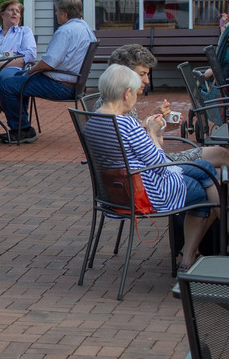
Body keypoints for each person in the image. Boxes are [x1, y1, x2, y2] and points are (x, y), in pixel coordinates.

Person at [84, 65, 221, 272]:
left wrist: (151, 132)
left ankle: (192, 252)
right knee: (203, 191)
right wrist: (153, 132)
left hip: (115, 193)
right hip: (146, 194)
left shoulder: (93, 122)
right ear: (127, 93)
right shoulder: (127, 124)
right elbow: (160, 166)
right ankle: (191, 255)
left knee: (204, 168)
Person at [104, 44, 229, 172]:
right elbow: (132, 151)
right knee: (218, 160)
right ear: (122, 73)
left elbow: (134, 138)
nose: (147, 80)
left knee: (222, 153)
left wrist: (158, 123)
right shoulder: (115, 106)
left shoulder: (112, 101)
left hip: (152, 165)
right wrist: (152, 127)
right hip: (153, 170)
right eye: (142, 74)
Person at [0, 0, 96, 144]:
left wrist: (31, 70)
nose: (55, 14)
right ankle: (23, 127)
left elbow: (49, 63)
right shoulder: (86, 28)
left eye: (57, 11)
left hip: (60, 85)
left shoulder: (65, 31)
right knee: (17, 80)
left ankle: (21, 130)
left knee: (6, 85)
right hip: (73, 81)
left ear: (65, 13)